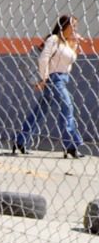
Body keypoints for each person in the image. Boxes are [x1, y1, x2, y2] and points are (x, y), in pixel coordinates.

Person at [13, 15, 85, 158]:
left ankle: (20, 142)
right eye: (73, 25)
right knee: (67, 107)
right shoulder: (54, 40)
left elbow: (69, 62)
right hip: (54, 79)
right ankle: (71, 145)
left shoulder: (68, 43)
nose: (75, 29)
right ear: (64, 26)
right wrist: (44, 78)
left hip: (64, 79)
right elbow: (43, 59)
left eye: (76, 26)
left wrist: (75, 43)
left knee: (39, 111)